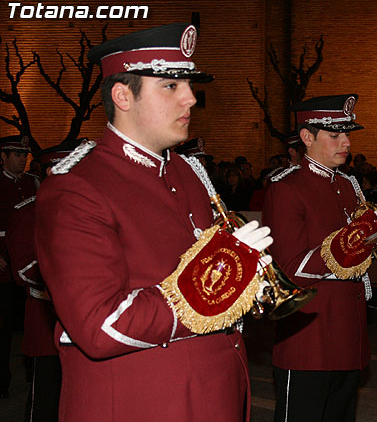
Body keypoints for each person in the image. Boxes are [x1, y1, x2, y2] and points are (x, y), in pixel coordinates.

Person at [34, 23, 273, 421]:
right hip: (142, 403)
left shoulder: (188, 172)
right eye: (170, 86)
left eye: (190, 86)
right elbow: (99, 327)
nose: (191, 99)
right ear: (122, 96)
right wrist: (210, 284)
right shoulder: (77, 187)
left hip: (216, 393)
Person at [262, 94, 377, 422]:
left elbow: (355, 255)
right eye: (335, 135)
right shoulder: (286, 188)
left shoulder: (349, 186)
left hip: (348, 330)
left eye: (347, 134)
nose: (346, 142)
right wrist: (352, 243)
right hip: (308, 334)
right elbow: (290, 268)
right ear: (307, 137)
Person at [6, 140, 85, 420]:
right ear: (53, 172)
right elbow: (25, 270)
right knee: (46, 399)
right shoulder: (28, 211)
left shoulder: (91, 209)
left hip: (89, 320)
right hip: (46, 317)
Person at [0, 134, 39, 398]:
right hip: (2, 265)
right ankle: (2, 382)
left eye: (24, 155)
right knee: (2, 328)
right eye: (16, 155)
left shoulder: (32, 182)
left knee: (32, 323)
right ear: (3, 157)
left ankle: (33, 374)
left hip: (29, 262)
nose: (22, 159)